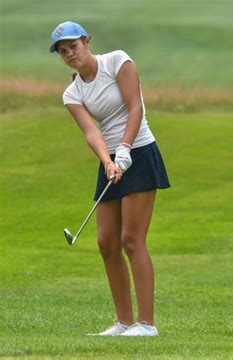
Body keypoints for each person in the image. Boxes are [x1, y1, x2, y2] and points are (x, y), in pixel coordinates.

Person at [49, 21, 170, 336]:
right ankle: (124, 322)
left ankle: (146, 324)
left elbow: (135, 108)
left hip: (140, 152)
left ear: (87, 42)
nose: (69, 54)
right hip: (112, 161)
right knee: (106, 242)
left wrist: (126, 149)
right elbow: (92, 131)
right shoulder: (72, 92)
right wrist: (108, 160)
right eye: (62, 51)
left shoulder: (118, 61)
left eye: (73, 46)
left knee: (132, 240)